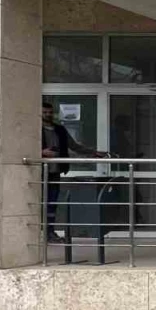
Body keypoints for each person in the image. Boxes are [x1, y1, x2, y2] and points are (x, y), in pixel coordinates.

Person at [41, 102, 108, 241]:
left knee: (52, 203)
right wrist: (41, 152)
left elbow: (74, 146)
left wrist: (93, 152)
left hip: (55, 172)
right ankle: (41, 232)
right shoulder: (33, 129)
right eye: (45, 112)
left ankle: (50, 232)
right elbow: (22, 149)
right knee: (40, 203)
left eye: (50, 112)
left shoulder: (59, 129)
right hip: (38, 173)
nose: (48, 115)